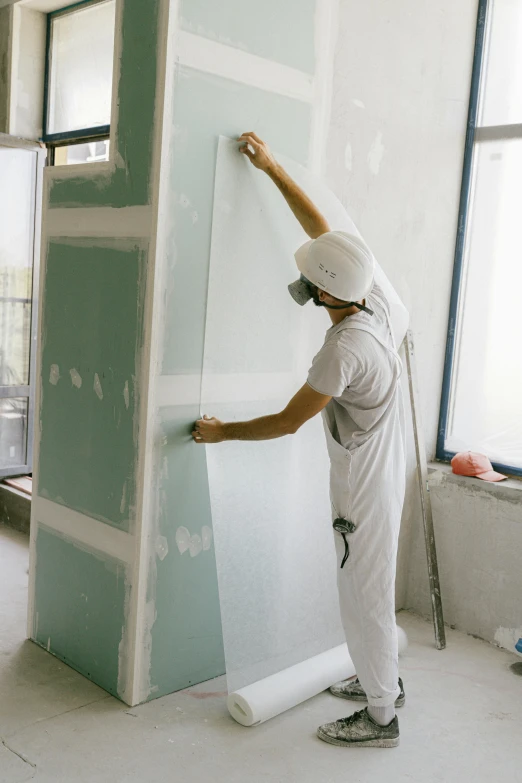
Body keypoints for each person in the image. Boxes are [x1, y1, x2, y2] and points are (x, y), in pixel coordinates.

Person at [192, 131, 406, 749]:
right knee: (375, 586)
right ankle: (382, 680)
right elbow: (324, 231)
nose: (307, 289)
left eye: (313, 284)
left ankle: (382, 717)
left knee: (362, 593)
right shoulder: (377, 298)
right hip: (382, 464)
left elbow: (288, 421)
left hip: (363, 487)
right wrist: (274, 168)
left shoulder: (343, 349)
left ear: (327, 293)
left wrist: (220, 431)